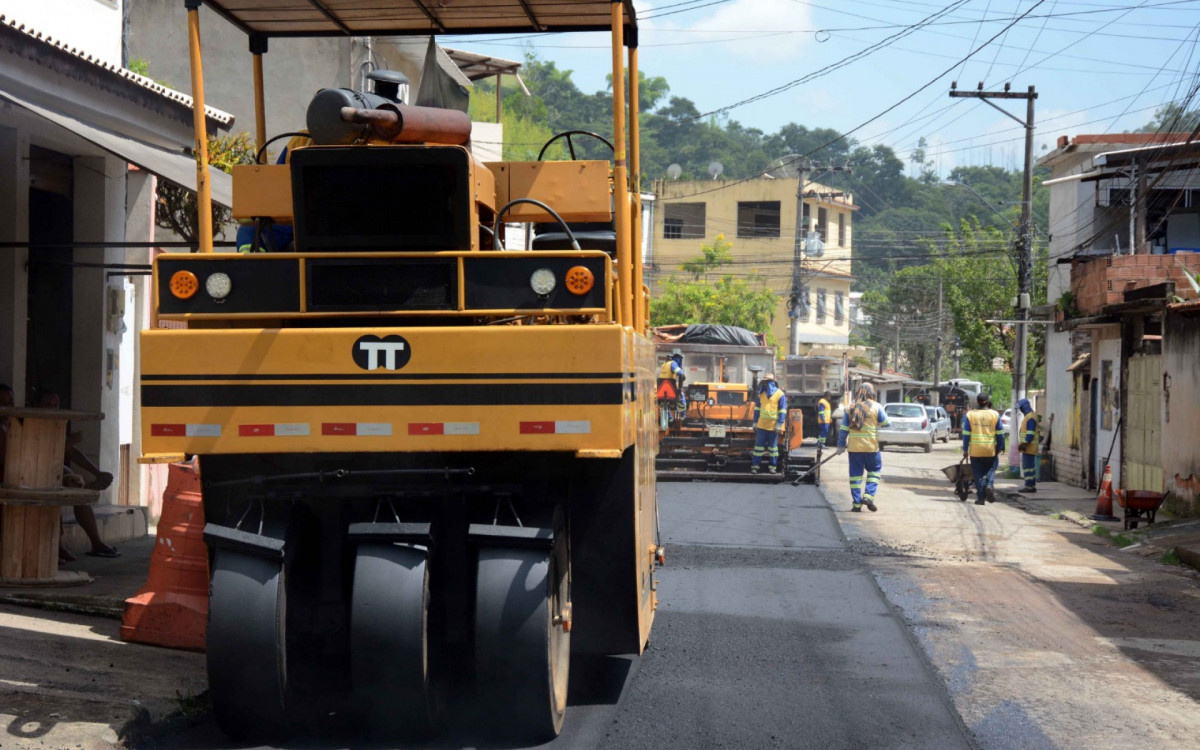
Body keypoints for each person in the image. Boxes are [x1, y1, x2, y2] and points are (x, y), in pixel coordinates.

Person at [35, 391, 120, 561]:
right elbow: (40, 452)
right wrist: (68, 443)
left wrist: (97, 472)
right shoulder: (25, 422)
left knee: (76, 489)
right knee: (56, 488)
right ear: (35, 405)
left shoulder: (56, 424)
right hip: (29, 472)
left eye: (55, 405)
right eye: (47, 404)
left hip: (51, 471)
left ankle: (96, 542)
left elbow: (71, 452)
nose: (52, 409)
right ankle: (56, 547)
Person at [836, 382, 889, 512]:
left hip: (854, 449)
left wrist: (841, 445)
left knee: (855, 477)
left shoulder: (850, 408)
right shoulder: (876, 407)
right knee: (874, 471)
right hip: (871, 448)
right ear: (872, 393)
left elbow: (843, 430)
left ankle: (856, 505)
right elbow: (887, 423)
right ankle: (868, 496)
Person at [962, 392, 1006, 506]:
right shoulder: (995, 415)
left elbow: (966, 434)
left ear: (977, 402)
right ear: (988, 401)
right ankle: (989, 485)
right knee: (991, 468)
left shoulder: (970, 415)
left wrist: (965, 449)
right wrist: (1001, 446)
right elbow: (1000, 433)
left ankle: (981, 499)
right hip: (990, 449)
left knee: (978, 474)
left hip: (975, 451)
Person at [750, 374, 787, 474]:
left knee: (773, 448)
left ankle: (772, 467)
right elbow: (757, 409)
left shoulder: (780, 394)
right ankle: (755, 466)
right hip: (761, 426)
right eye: (764, 382)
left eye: (767, 382)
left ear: (772, 382)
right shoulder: (760, 394)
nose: (765, 384)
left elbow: (783, 410)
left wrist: (779, 424)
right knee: (758, 447)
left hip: (773, 427)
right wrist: (755, 422)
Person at [1016, 398, 1040, 493]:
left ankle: (1029, 486)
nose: (1020, 410)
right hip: (1028, 447)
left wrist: (1025, 443)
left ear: (1024, 407)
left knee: (1028, 467)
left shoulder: (1030, 417)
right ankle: (1031, 485)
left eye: (1021, 408)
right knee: (1029, 467)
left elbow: (1030, 433)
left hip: (1029, 447)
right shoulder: (1029, 416)